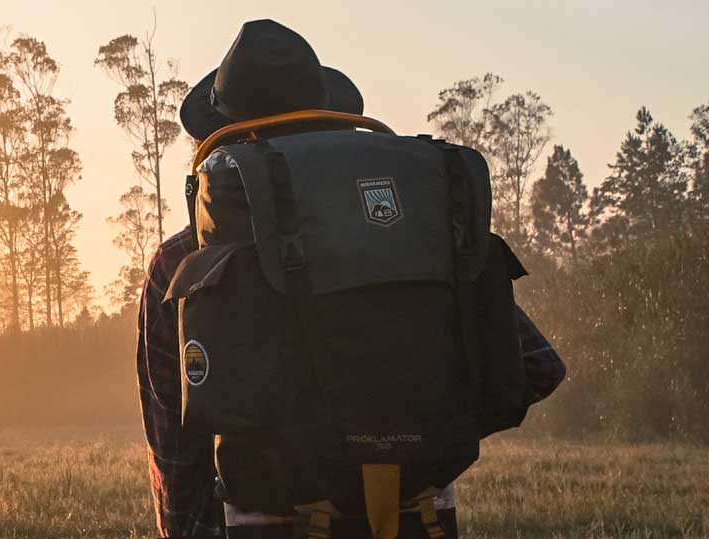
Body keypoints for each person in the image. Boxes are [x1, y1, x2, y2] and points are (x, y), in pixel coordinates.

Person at [137, 19, 564, 539]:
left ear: (217, 141)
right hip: (423, 518)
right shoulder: (411, 234)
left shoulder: (180, 262)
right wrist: (417, 433)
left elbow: (177, 448)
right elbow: (537, 368)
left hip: (264, 522)